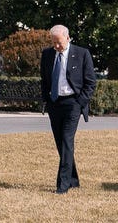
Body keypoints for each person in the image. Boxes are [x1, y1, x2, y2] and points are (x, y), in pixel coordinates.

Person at [39, 24, 96, 194]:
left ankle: (63, 185)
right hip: (55, 103)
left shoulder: (81, 53)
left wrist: (80, 102)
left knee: (66, 140)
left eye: (59, 42)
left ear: (68, 38)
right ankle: (73, 179)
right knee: (61, 144)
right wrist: (46, 100)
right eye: (53, 42)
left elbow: (91, 82)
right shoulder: (47, 54)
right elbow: (44, 80)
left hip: (73, 103)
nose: (56, 46)